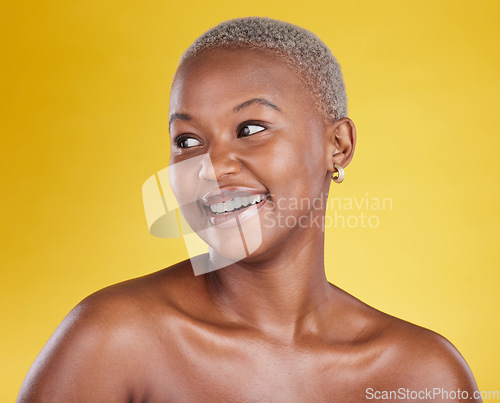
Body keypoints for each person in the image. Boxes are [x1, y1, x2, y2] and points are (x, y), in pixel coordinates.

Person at [18, 17, 480, 402]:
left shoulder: (423, 376)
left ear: (337, 146)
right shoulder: (115, 339)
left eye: (251, 127)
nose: (211, 167)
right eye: (188, 141)